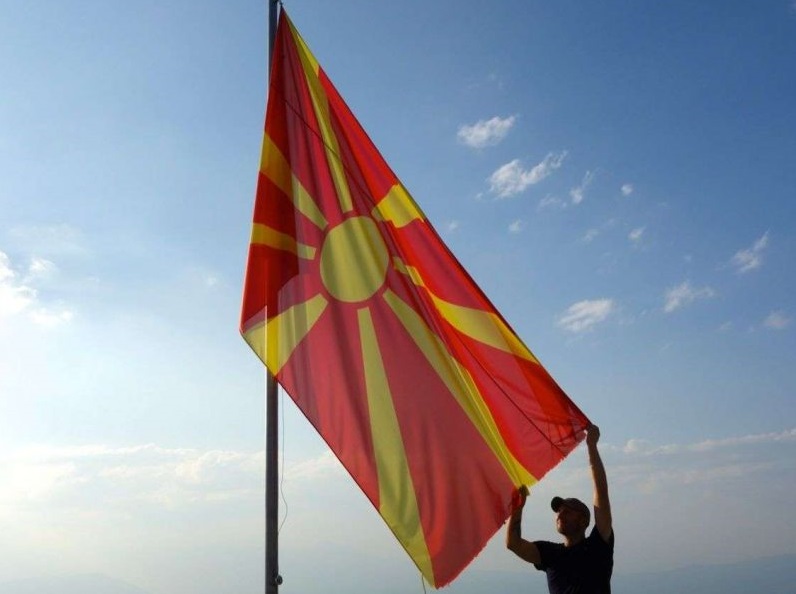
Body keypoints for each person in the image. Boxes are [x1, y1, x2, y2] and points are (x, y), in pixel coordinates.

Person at [506, 425, 614, 594]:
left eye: (568, 511)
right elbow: (513, 544)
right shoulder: (550, 554)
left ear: (584, 521)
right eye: (558, 511)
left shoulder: (597, 546)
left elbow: (601, 492)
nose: (560, 514)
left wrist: (592, 446)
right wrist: (517, 508)